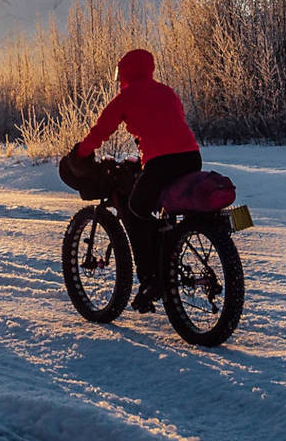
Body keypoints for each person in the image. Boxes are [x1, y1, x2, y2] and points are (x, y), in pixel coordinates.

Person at [68, 49, 202, 314]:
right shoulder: (166, 92)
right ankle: (167, 251)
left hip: (161, 162)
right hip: (191, 157)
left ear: (126, 72)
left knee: (137, 212)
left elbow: (101, 130)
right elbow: (174, 122)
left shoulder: (125, 97)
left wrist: (80, 153)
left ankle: (152, 281)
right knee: (164, 208)